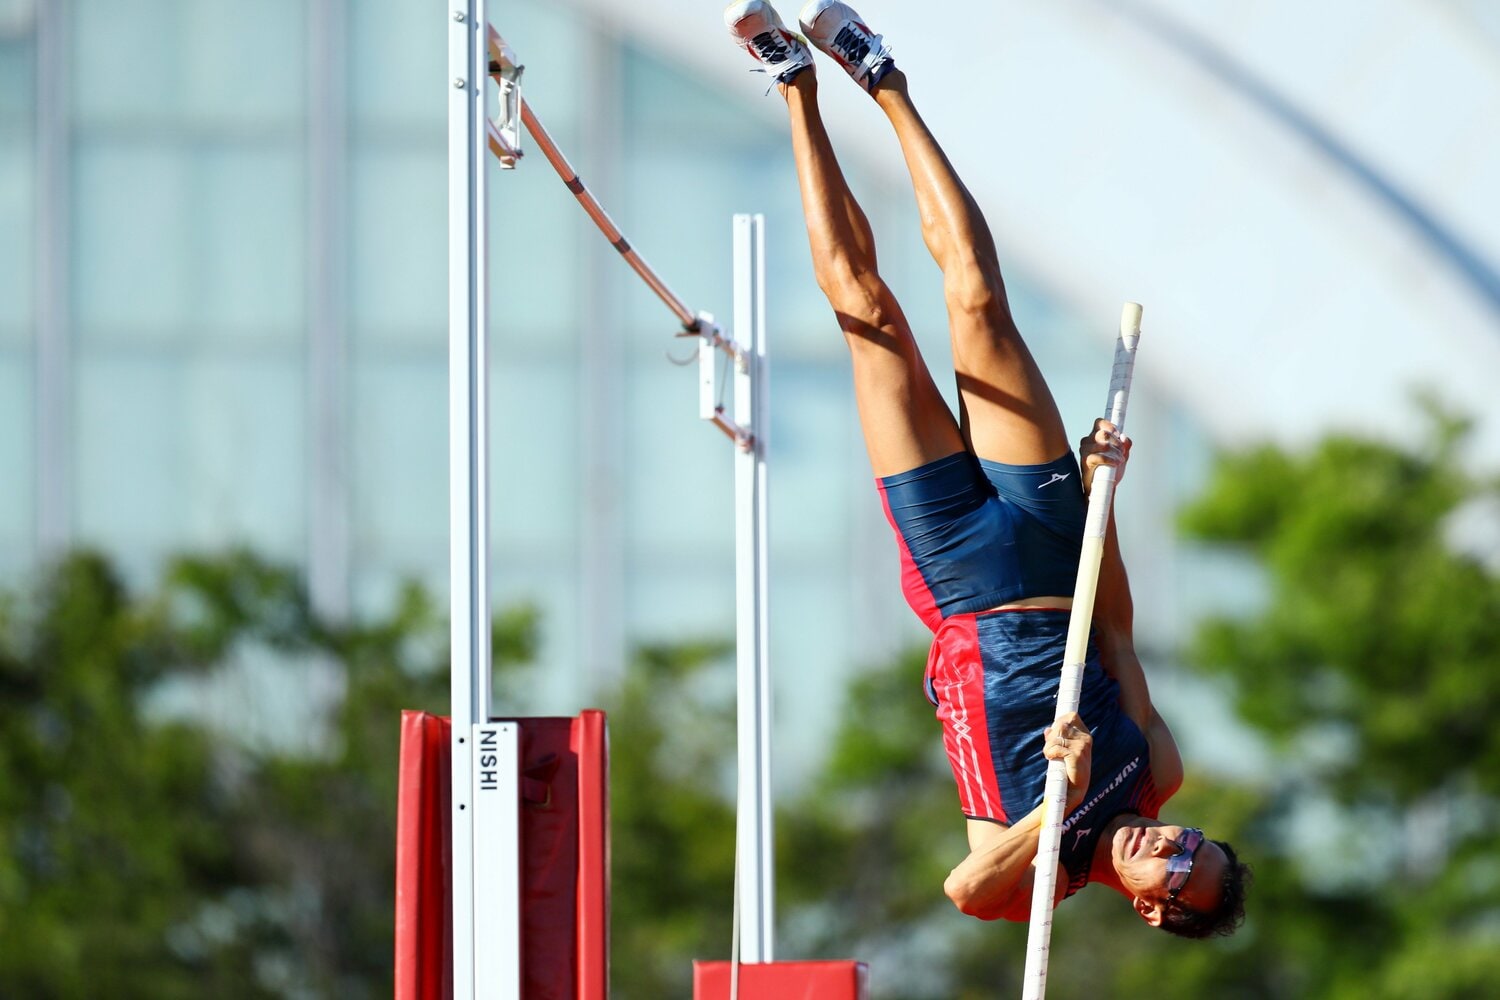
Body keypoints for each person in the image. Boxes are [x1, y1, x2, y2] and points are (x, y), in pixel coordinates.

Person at [724, 0, 1250, 937]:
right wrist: (1102, 498)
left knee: (869, 319)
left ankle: (793, 85)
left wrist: (1061, 800)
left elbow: (964, 889)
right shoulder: (1157, 772)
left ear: (1152, 912)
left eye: (1176, 873)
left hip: (958, 578)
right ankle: (881, 78)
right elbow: (1117, 632)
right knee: (978, 305)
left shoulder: (1039, 888)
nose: (1167, 846)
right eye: (1191, 842)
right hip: (1052, 548)